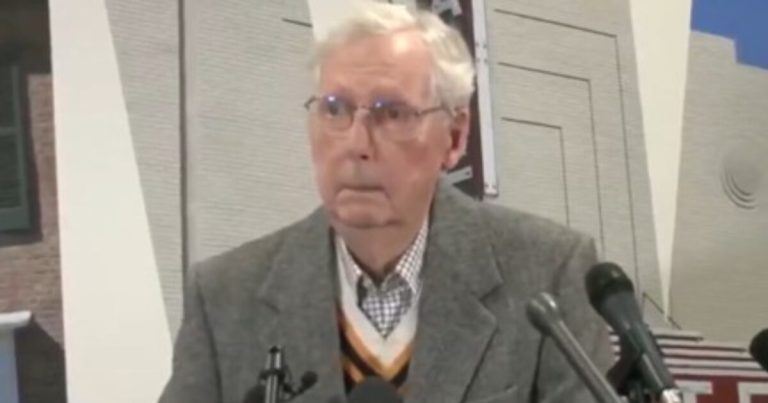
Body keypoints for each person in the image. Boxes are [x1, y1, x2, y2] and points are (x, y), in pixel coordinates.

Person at [159, 3, 612, 403]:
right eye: (335, 109)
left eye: (392, 113)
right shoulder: (224, 297)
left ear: (455, 137)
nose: (357, 144)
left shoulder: (548, 274)